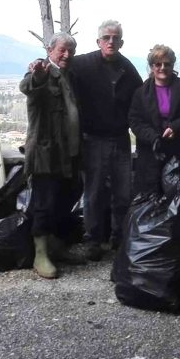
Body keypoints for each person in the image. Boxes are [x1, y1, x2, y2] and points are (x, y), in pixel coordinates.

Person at [69, 20, 143, 259]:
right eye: (107, 38)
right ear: (98, 41)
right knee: (93, 193)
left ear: (121, 42)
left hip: (120, 138)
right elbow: (57, 67)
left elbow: (141, 99)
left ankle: (119, 239)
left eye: (115, 38)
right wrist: (36, 67)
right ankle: (93, 240)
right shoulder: (82, 64)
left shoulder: (127, 68)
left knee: (123, 193)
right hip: (93, 139)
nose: (111, 42)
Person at [20, 32, 84, 279]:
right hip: (47, 153)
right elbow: (29, 86)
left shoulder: (71, 75)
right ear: (49, 50)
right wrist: (38, 75)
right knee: (44, 203)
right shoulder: (42, 71)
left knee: (68, 197)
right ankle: (40, 255)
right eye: (62, 50)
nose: (67, 54)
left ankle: (57, 246)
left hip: (71, 153)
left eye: (71, 51)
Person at [129, 44, 180, 195]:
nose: (162, 67)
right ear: (152, 67)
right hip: (150, 156)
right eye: (158, 64)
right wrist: (153, 137)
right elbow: (135, 121)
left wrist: (176, 127)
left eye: (167, 64)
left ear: (172, 66)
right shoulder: (141, 93)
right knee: (151, 200)